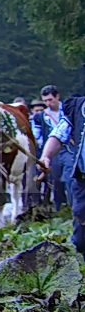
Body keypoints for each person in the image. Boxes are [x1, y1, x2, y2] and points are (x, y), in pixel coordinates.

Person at [38, 90, 85, 256]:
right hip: (83, 181)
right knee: (81, 238)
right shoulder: (78, 107)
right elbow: (58, 135)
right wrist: (46, 157)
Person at [40, 85, 73, 211]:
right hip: (53, 150)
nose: (48, 103)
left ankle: (73, 205)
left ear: (57, 97)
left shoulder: (68, 110)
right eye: (45, 101)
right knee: (55, 179)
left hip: (68, 148)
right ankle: (60, 207)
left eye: (50, 99)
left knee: (70, 177)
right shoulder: (42, 116)